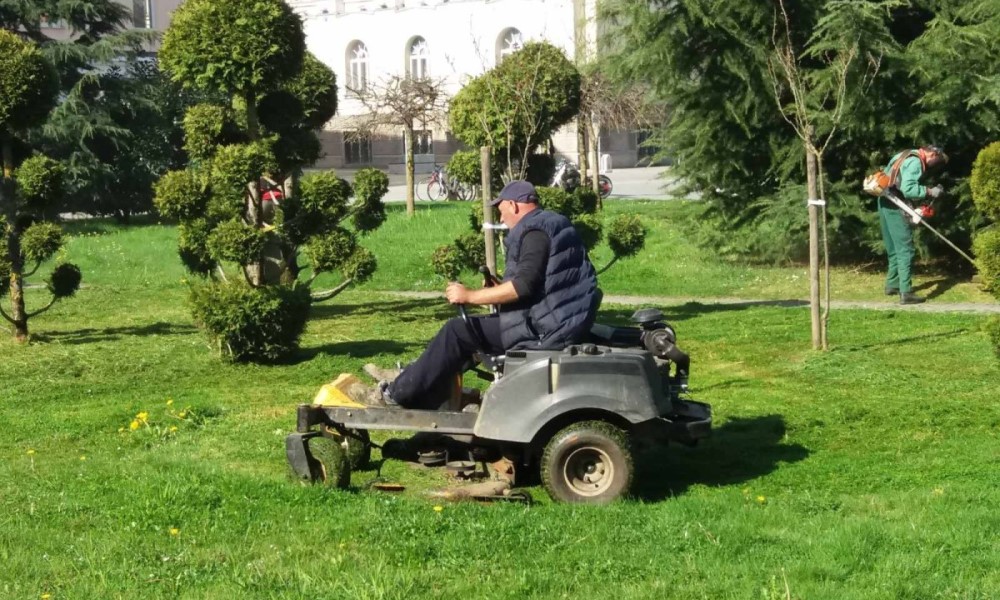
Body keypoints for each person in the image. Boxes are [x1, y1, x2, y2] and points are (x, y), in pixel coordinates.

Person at [366, 180, 599, 408]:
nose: (501, 219)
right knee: (469, 333)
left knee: (457, 331)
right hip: (557, 321)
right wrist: (498, 288)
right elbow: (542, 283)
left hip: (543, 330)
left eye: (501, 211)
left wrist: (468, 296)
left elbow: (523, 286)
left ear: (513, 205)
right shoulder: (553, 222)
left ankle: (395, 394)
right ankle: (414, 379)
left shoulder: (534, 232)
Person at [878, 145, 948, 305]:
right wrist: (930, 191)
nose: (934, 166)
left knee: (893, 247)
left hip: (884, 200)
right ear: (933, 154)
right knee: (906, 250)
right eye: (937, 162)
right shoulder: (916, 162)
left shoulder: (904, 154)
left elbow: (889, 177)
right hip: (896, 204)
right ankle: (906, 292)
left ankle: (892, 284)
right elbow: (908, 189)